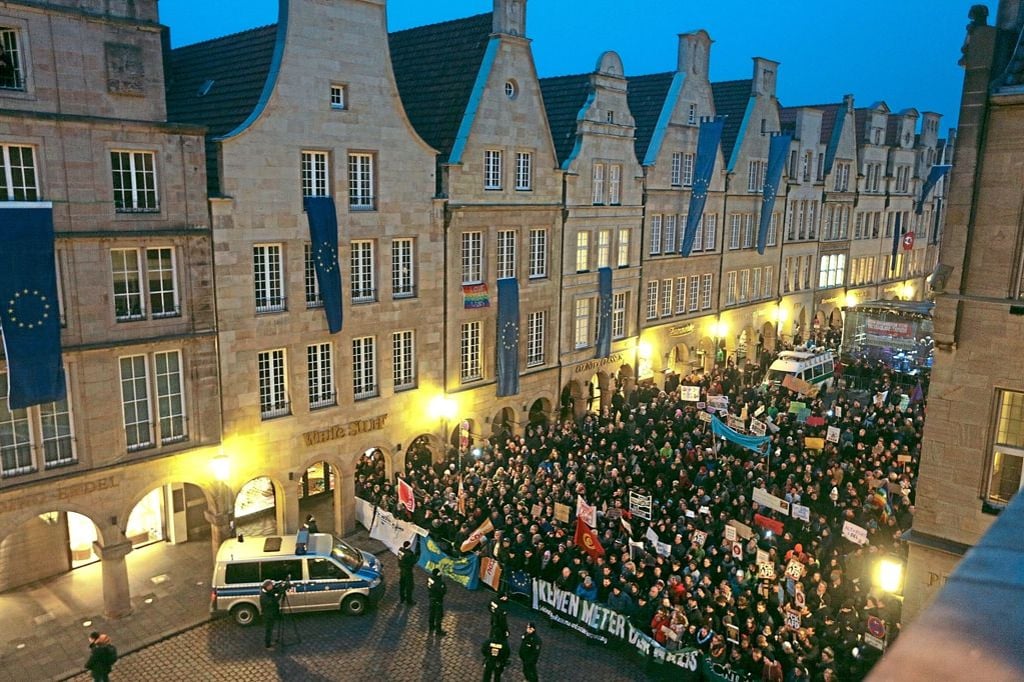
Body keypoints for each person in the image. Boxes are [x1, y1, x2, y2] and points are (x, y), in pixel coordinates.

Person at [260, 579, 285, 648]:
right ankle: (267, 644)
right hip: (268, 614)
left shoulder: (266, 591)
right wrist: (280, 593)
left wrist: (280, 587)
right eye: (271, 585)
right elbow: (273, 601)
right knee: (269, 629)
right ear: (267, 586)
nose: (272, 586)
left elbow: (274, 590)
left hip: (271, 613)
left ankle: (268, 642)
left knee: (270, 628)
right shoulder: (264, 595)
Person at [427, 567, 447, 635]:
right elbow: (443, 591)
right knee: (438, 616)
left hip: (431, 598)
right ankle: (438, 631)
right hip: (438, 600)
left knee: (431, 613)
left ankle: (431, 626)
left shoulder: (430, 579)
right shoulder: (440, 583)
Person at [398, 540, 417, 604]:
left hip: (402, 570)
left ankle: (402, 598)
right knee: (409, 586)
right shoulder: (409, 554)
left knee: (402, 584)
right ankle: (409, 600)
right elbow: (414, 561)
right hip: (407, 571)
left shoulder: (400, 550)